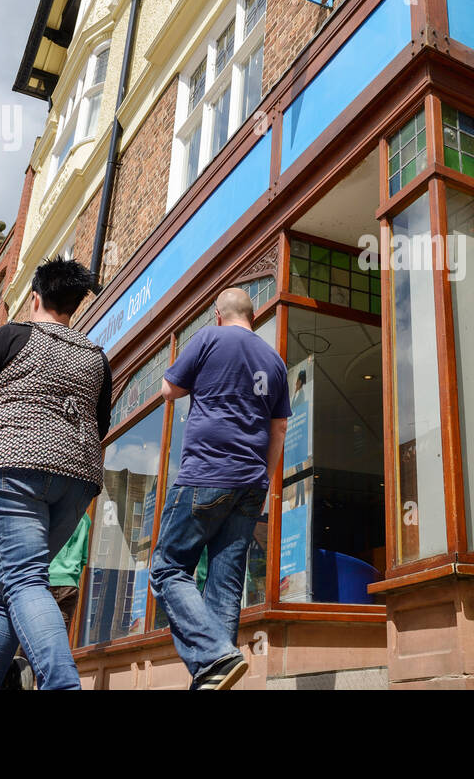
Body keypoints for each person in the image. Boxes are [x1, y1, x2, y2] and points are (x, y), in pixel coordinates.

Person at [0, 257, 112, 690]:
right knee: (7, 590)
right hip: (76, 480)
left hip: (14, 469)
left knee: (22, 580)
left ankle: (62, 684)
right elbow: (101, 424)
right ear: (73, 305)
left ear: (35, 297)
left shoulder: (11, 336)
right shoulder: (96, 358)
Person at [152, 287, 289, 690]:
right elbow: (278, 428)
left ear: (218, 315)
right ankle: (214, 676)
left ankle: (215, 656)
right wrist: (263, 478)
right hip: (250, 484)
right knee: (225, 587)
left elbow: (167, 390)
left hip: (205, 474)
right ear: (254, 316)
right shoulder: (275, 361)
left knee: (167, 568)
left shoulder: (209, 338)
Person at [47, 513, 91, 633]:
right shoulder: (85, 519)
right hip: (69, 585)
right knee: (59, 634)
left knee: (32, 634)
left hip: (45, 579)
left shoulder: (51, 509)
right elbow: (83, 559)